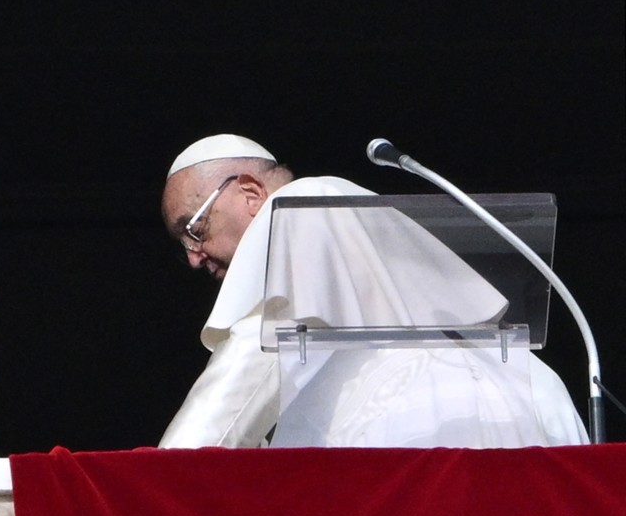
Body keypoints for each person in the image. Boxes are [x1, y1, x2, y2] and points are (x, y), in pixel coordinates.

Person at [158, 134, 589, 448]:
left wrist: (161, 475)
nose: (195, 256)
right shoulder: (355, 215)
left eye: (194, 230)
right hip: (530, 413)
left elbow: (258, 355)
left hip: (412, 431)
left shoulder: (304, 203)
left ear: (251, 193)